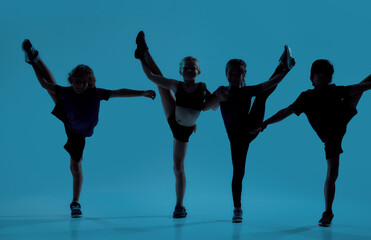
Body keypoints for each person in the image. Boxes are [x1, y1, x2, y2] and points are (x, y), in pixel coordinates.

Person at [253, 50, 371, 227]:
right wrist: (266, 122)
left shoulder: (335, 91)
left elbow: (363, 87)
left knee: (362, 86)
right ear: (312, 77)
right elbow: (286, 112)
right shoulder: (306, 97)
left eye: (326, 73)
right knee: (332, 172)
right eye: (318, 73)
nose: (322, 76)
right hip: (332, 136)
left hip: (342, 115)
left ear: (330, 77)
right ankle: (328, 211)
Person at [22, 39, 156, 218]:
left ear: (90, 82)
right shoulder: (68, 91)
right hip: (73, 126)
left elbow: (119, 92)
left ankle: (35, 58)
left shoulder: (96, 94)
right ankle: (75, 203)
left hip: (76, 126)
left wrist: (142, 93)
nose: (79, 84)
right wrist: (31, 65)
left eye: (84, 82)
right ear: (71, 80)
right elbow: (45, 84)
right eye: (76, 81)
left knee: (52, 89)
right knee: (76, 166)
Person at [204, 45, 295, 222]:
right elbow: (205, 107)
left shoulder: (246, 91)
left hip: (250, 128)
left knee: (262, 95)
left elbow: (270, 84)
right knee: (238, 171)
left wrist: (286, 71)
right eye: (231, 73)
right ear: (226, 74)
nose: (234, 76)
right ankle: (237, 208)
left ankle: (283, 65)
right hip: (236, 138)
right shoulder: (221, 90)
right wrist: (217, 98)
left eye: (238, 74)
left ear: (243, 75)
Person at [134, 31, 212, 218]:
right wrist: (140, 62)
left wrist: (221, 97)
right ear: (181, 71)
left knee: (178, 168)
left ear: (198, 71)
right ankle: (143, 52)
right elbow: (152, 78)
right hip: (173, 117)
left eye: (193, 68)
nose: (189, 70)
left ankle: (179, 205)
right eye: (186, 67)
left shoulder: (202, 88)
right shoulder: (177, 85)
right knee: (160, 81)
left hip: (182, 133)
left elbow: (211, 105)